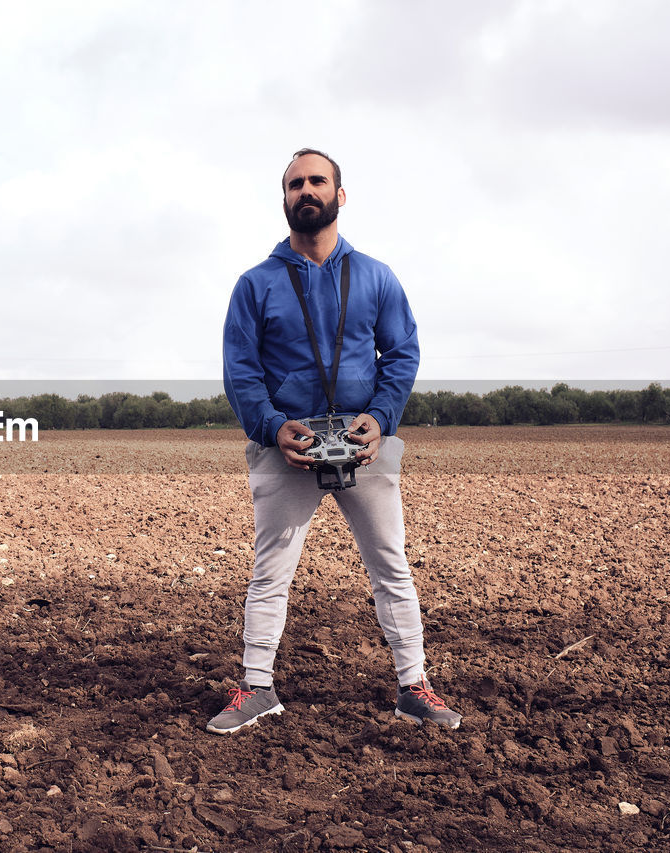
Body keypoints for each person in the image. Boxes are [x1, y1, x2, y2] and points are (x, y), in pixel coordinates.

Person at [209, 148, 462, 735]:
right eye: (295, 184)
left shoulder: (376, 275)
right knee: (270, 570)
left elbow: (401, 354)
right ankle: (255, 687)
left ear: (339, 195)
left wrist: (381, 416)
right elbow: (239, 369)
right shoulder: (255, 284)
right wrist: (273, 427)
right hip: (285, 447)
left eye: (318, 181)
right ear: (285, 201)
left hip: (364, 442)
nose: (307, 190)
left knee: (391, 567)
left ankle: (414, 687)